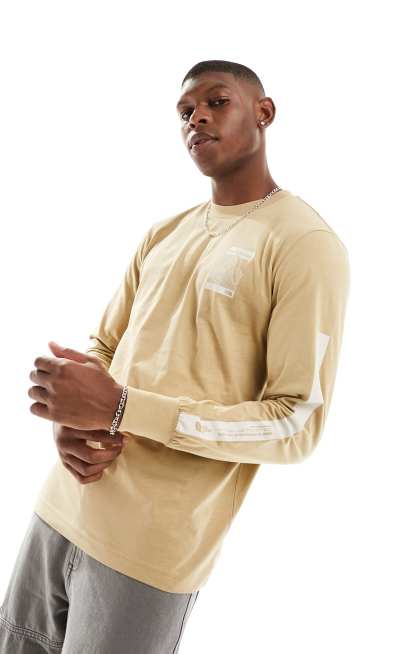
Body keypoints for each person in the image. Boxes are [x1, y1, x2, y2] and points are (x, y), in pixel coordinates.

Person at [0, 59, 351, 653]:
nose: (197, 119)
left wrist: (123, 410)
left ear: (264, 112)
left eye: (217, 102)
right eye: (186, 112)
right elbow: (104, 349)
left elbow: (296, 423)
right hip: (58, 510)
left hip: (149, 549)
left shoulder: (305, 244)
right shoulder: (165, 233)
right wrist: (71, 422)